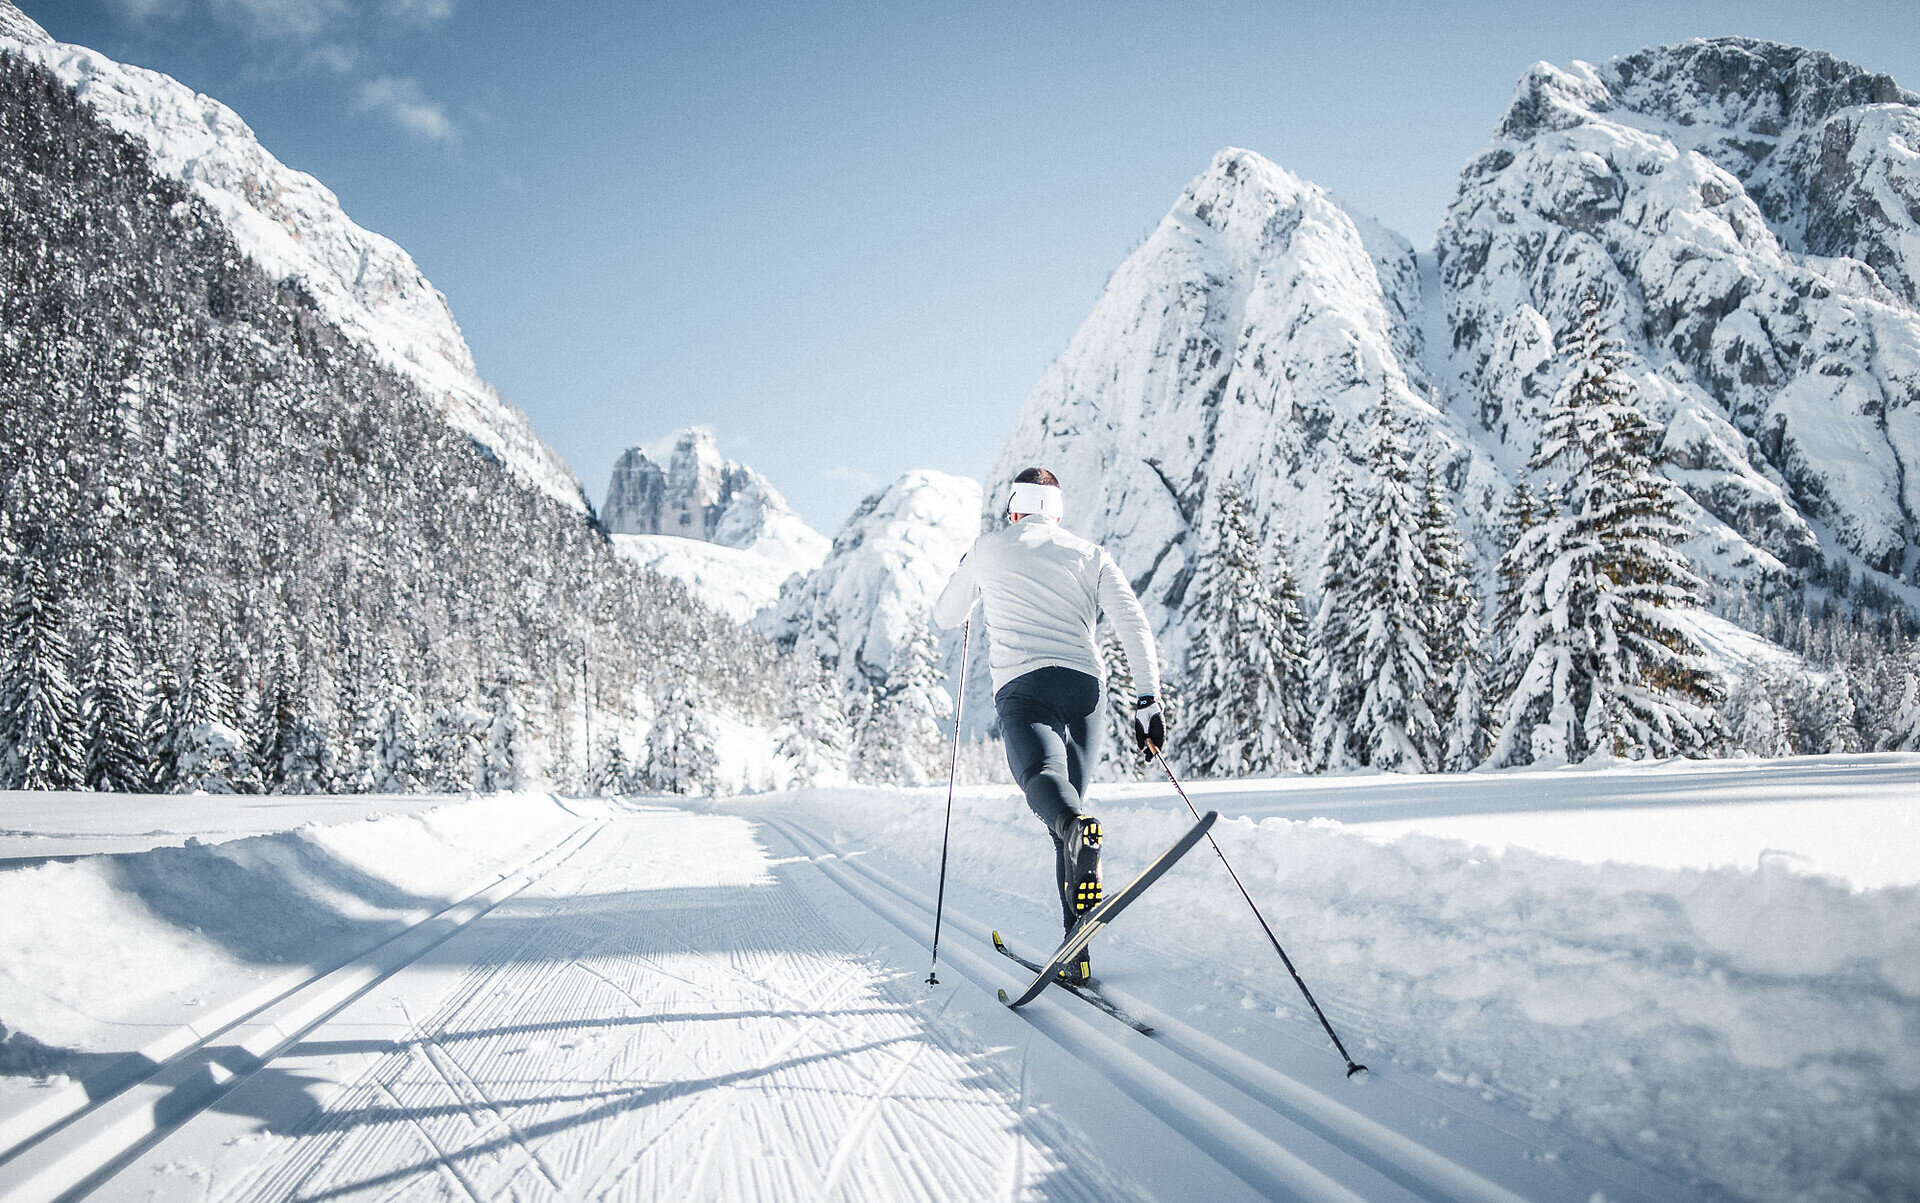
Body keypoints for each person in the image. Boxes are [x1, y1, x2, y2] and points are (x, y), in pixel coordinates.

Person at [932, 467, 1167, 984]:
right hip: (1085, 691)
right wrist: (1147, 700)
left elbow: (946, 614)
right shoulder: (1090, 554)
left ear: (1014, 509)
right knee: (1071, 814)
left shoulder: (989, 547)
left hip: (1025, 688)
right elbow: (1132, 622)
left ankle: (1075, 851)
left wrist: (971, 569)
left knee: (1050, 792)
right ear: (1057, 514)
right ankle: (1075, 951)